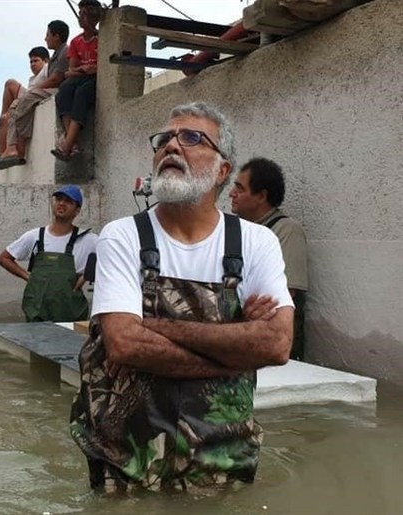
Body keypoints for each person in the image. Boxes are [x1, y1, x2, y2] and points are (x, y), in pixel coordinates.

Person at [69, 103, 294, 493]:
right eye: (164, 139)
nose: (171, 146)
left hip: (221, 457)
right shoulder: (123, 236)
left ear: (223, 169)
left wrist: (156, 326)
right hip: (125, 457)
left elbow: (275, 344)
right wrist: (234, 350)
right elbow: (124, 343)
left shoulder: (257, 242)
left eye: (191, 138)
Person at [230, 157, 309, 360]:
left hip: (273, 346)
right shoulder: (239, 232)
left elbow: (280, 298)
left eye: (240, 188)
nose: (232, 194)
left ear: (262, 196)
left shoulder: (286, 231)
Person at [0, 185, 98, 322]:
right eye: (58, 199)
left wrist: (86, 276)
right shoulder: (35, 237)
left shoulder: (88, 240)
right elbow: (4, 258)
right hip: (37, 315)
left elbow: (111, 259)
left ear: (77, 210)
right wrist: (28, 277)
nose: (61, 203)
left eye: (68, 201)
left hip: (72, 315)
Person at [0, 20, 70, 170]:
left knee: (19, 103)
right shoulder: (56, 55)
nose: (46, 38)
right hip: (49, 90)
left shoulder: (64, 52)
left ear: (56, 36)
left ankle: (14, 148)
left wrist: (34, 90)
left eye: (48, 35)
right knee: (16, 107)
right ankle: (13, 147)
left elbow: (56, 79)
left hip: (57, 90)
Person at [51, 0, 102, 162]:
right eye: (80, 14)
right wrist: (82, 69)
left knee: (81, 94)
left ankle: (67, 145)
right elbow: (70, 71)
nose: (81, 18)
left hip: (95, 81)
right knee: (63, 92)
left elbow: (102, 67)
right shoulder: (76, 42)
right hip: (81, 77)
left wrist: (91, 69)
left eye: (84, 14)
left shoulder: (102, 39)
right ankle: (73, 143)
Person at [0, 46, 50, 156]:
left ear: (45, 60)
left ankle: (6, 119)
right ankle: (4, 116)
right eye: (31, 62)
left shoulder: (47, 68)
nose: (32, 64)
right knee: (9, 87)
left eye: (36, 60)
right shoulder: (32, 78)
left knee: (10, 84)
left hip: (35, 96)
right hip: (29, 95)